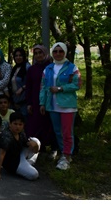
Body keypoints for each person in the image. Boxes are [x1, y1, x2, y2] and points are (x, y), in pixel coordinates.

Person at [39, 42, 80, 170]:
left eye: (60, 51)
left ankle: (67, 156)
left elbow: (77, 84)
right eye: (55, 51)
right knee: (58, 132)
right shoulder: (48, 69)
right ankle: (64, 153)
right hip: (52, 105)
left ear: (65, 52)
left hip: (68, 105)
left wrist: (61, 88)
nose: (57, 54)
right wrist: (42, 103)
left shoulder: (72, 68)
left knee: (67, 132)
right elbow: (43, 87)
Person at [0, 112, 40, 180]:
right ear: (10, 124)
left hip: (19, 155)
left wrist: (35, 145)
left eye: (20, 124)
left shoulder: (21, 133)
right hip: (12, 163)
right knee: (34, 175)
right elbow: (1, 154)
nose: (18, 127)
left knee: (35, 141)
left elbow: (32, 148)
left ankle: (28, 164)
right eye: (15, 124)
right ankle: (24, 167)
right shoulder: (6, 136)